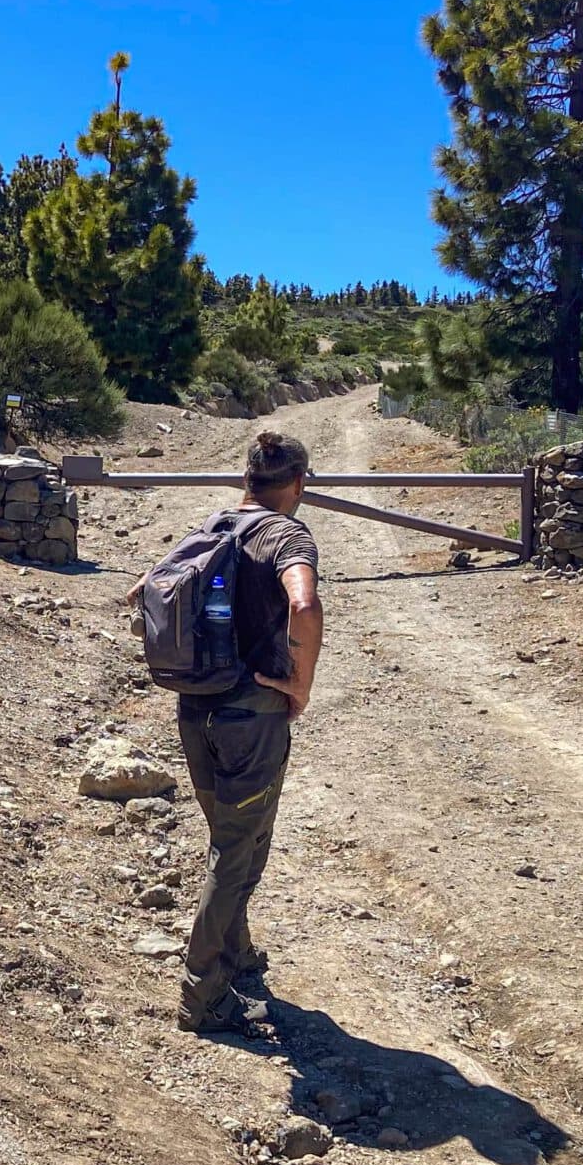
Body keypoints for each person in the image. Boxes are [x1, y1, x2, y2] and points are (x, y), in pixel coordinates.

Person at [168, 429, 323, 1034]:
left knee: (237, 839)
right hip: (251, 719)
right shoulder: (287, 535)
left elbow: (142, 590)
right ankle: (203, 995)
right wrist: (300, 685)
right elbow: (304, 607)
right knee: (235, 852)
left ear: (247, 478)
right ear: (299, 484)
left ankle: (237, 953)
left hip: (196, 708)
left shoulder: (213, 526)